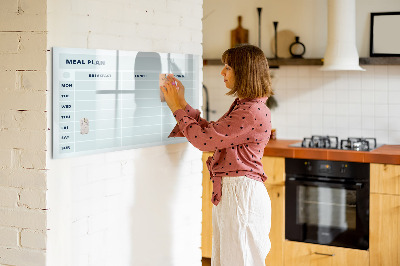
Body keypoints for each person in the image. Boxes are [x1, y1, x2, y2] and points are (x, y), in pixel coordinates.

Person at [161, 44, 273, 266]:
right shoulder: (246, 106)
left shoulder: (250, 111)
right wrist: (182, 103)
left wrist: (176, 108)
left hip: (241, 195)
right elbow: (212, 133)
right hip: (236, 193)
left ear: (244, 72)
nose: (222, 72)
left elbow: (204, 141)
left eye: (228, 67)